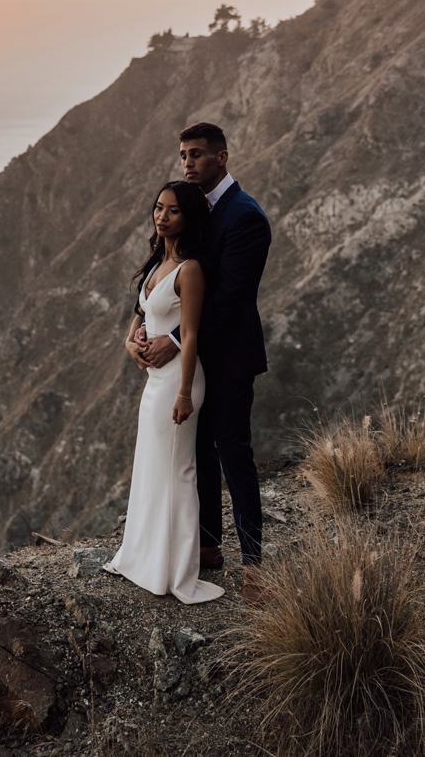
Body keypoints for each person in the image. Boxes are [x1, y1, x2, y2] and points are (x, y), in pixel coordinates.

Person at [139, 123, 272, 603]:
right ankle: (209, 546)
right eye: (182, 155)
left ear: (223, 157)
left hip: (231, 356)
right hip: (191, 364)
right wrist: (145, 329)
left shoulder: (246, 217)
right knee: (199, 452)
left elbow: (231, 298)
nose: (188, 163)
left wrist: (175, 339)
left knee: (234, 452)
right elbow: (169, 275)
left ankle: (254, 564)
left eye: (197, 154)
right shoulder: (193, 210)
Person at [102, 180, 225, 604]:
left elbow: (190, 335)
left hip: (178, 381)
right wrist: (128, 341)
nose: (162, 216)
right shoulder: (157, 263)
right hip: (155, 382)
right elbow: (139, 316)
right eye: (158, 208)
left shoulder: (189, 269)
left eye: (172, 210)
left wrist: (186, 393)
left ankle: (174, 571)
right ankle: (144, 557)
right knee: (153, 468)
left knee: (178, 471)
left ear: (187, 218)